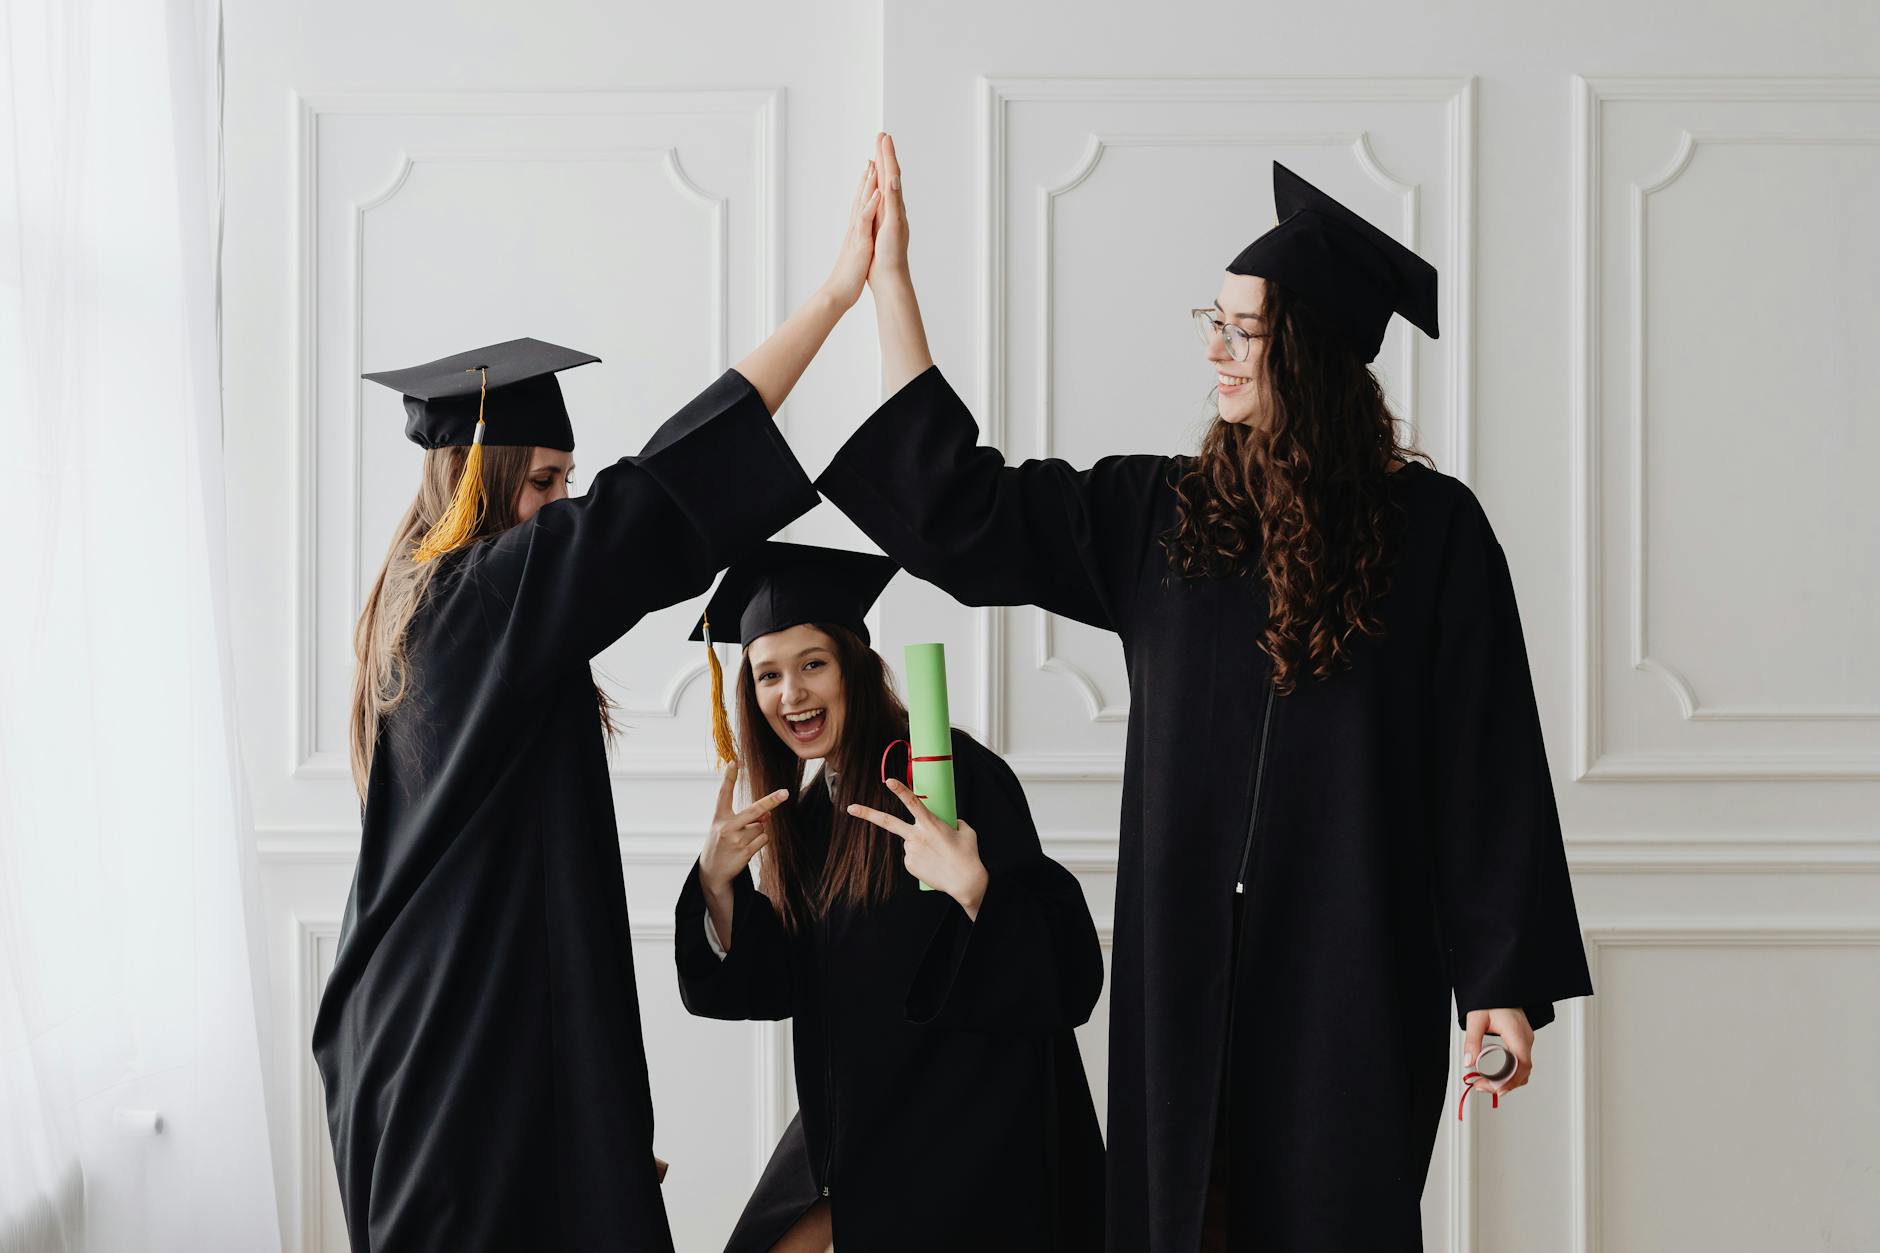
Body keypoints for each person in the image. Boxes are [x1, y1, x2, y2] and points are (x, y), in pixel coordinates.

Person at [812, 134, 1595, 1251]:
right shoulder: (1165, 518)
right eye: (1211, 322)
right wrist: (890, 284)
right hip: (1178, 973)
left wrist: (1499, 985)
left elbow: (1486, 766)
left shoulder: (1434, 536)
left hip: (1350, 976)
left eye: (1244, 329)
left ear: (1313, 352)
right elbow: (965, 511)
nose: (1217, 350)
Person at [311, 164, 888, 1252]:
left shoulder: (415, 603)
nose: (560, 509)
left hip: (433, 1043)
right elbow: (663, 492)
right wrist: (830, 300)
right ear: (480, 484)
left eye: (564, 485)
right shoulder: (481, 597)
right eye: (543, 484)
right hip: (460, 1076)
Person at [673, 540, 1105, 1252]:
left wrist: (977, 890)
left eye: (813, 664)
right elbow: (776, 983)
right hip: (854, 1129)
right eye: (768, 675)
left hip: (969, 1139)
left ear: (855, 667)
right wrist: (720, 883)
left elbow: (1067, 979)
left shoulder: (955, 772)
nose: (791, 694)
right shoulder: (806, 819)